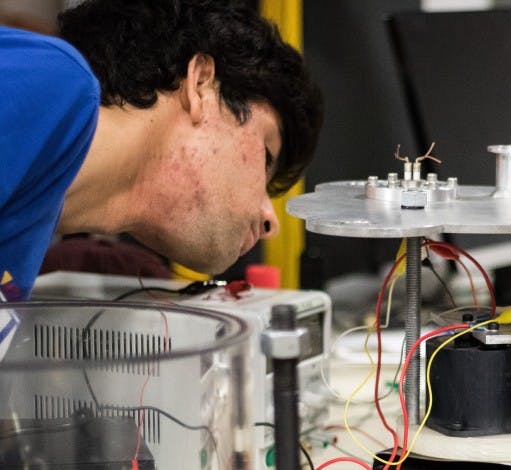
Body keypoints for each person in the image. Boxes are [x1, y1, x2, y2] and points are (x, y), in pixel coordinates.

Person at [0, 0, 323, 302]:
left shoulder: (21, 245)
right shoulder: (51, 84)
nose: (271, 221)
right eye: (266, 156)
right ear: (201, 85)